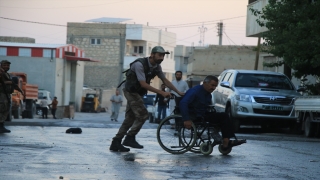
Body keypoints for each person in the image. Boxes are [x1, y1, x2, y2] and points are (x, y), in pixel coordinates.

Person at [110, 46, 184, 152]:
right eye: (159, 55)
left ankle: (115, 142)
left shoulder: (157, 67)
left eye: (163, 55)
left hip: (137, 93)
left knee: (129, 119)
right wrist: (162, 93)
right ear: (152, 54)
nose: (162, 58)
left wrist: (178, 92)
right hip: (131, 91)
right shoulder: (139, 64)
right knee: (143, 114)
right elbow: (143, 84)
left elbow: (165, 80)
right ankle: (130, 137)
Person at [179, 75, 245, 150]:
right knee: (224, 117)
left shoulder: (208, 94)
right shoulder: (195, 91)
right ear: (204, 83)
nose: (213, 88)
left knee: (224, 116)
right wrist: (186, 119)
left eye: (215, 86)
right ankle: (226, 142)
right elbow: (183, 103)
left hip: (203, 114)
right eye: (212, 85)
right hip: (194, 115)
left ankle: (224, 139)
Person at [0, 60, 24, 133]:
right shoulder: (1, 74)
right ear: (1, 65)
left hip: (6, 94)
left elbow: (13, 84)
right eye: (4, 65)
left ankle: (1, 124)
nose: (6, 67)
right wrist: (7, 82)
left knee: (6, 109)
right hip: (1, 94)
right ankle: (0, 125)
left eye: (7, 65)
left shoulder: (6, 74)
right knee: (2, 109)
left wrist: (20, 90)